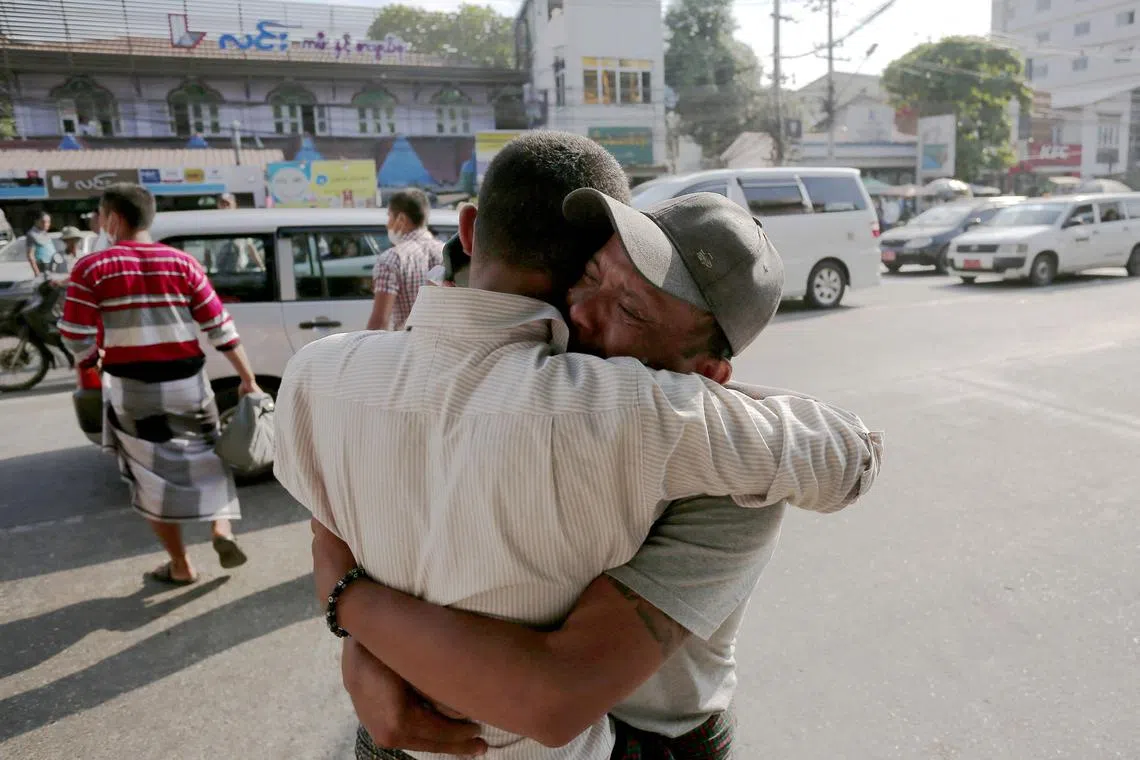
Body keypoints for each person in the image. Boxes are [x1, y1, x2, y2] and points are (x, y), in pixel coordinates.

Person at [275, 132, 882, 760]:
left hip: (653, 737)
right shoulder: (557, 386)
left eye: (632, 310)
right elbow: (341, 527)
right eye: (587, 274)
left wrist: (352, 608)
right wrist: (359, 643)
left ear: (707, 379)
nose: (579, 310)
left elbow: (552, 695)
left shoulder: (725, 475)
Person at [59, 183, 261, 586]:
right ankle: (222, 529)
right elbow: (221, 329)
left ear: (113, 218)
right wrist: (248, 379)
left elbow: (74, 331)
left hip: (134, 391)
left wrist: (93, 362)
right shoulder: (183, 263)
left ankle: (181, 565)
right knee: (209, 456)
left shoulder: (93, 268)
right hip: (189, 384)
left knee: (149, 476)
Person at [366, 189, 444, 331]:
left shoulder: (392, 259)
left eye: (389, 216)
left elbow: (379, 323)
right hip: (446, 347)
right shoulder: (448, 253)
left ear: (401, 219)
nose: (387, 224)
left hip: (407, 347)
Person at [25, 211, 55, 277]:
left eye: (48, 222)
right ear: (36, 221)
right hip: (43, 267)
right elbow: (30, 255)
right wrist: (37, 272)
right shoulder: (32, 234)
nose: (46, 224)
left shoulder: (44, 233)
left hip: (52, 265)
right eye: (43, 221)